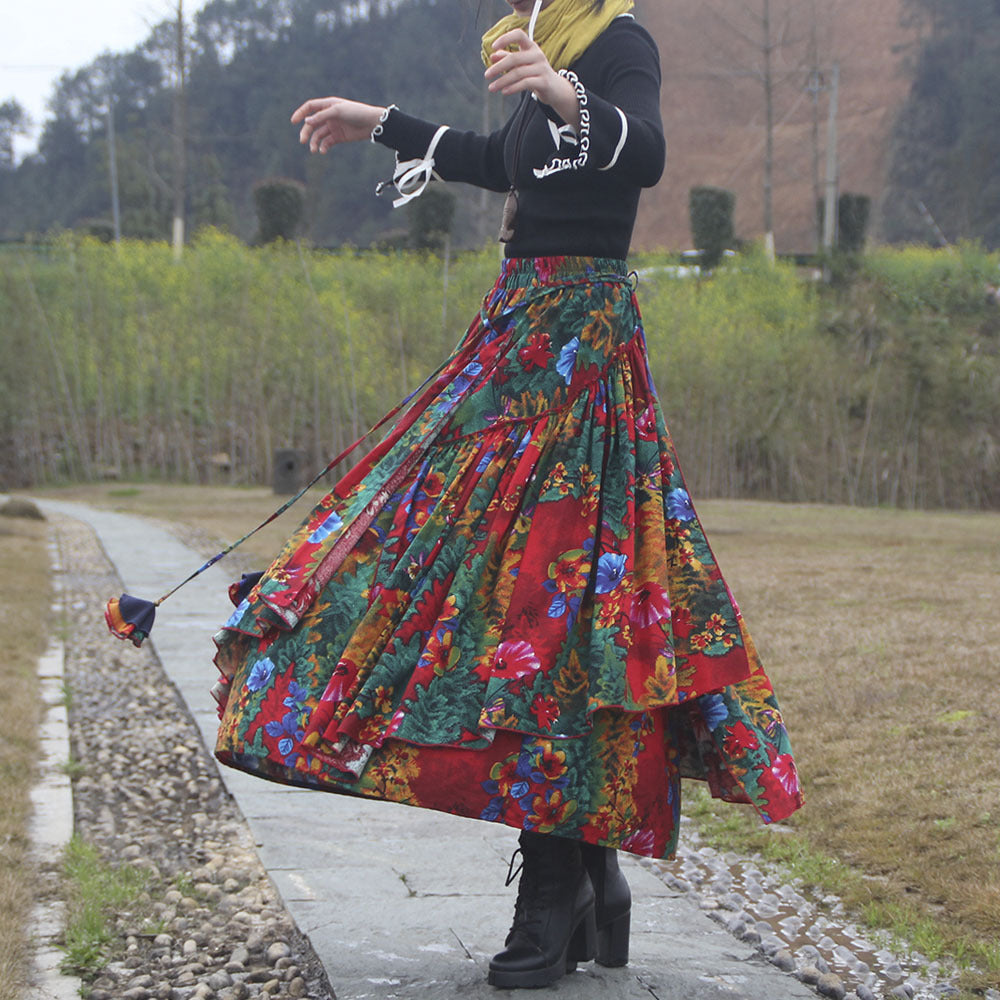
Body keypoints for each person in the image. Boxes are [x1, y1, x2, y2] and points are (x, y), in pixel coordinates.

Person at [211, 0, 803, 989]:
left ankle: (558, 887)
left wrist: (563, 89)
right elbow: (502, 162)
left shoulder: (615, 43)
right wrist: (382, 121)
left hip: (581, 356)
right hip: (515, 332)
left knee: (556, 608)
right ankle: (584, 876)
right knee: (468, 582)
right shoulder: (524, 43)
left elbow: (645, 153)